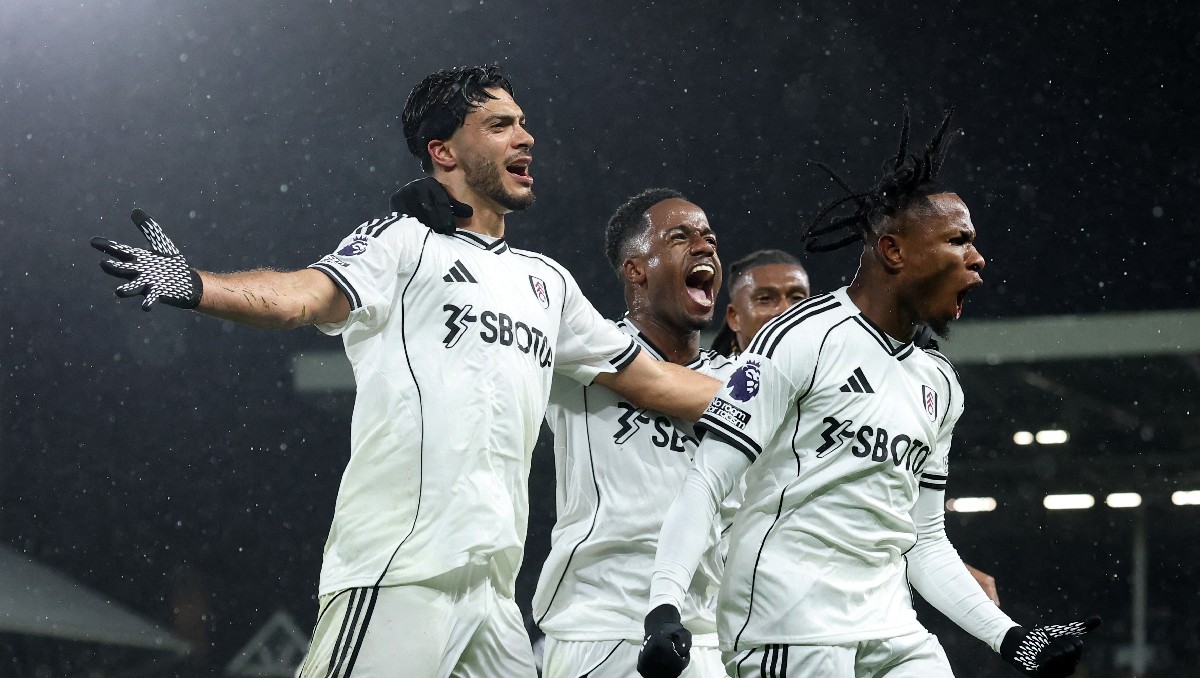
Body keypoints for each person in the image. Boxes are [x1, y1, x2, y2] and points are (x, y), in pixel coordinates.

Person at [91, 65, 719, 678]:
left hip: (496, 597)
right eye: (499, 125)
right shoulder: (403, 243)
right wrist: (200, 286)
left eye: (523, 124)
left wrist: (796, 396)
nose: (525, 137)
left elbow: (663, 384)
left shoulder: (548, 283)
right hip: (399, 571)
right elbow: (306, 296)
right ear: (442, 151)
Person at [639, 110, 1098, 678]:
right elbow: (707, 480)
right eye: (959, 241)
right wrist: (664, 606)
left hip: (892, 629)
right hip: (789, 627)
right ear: (894, 251)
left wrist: (1015, 641)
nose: (977, 261)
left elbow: (924, 542)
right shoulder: (800, 339)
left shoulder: (938, 384)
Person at [710, 249, 1001, 606]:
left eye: (797, 297)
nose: (784, 309)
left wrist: (954, 574)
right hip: (721, 591)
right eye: (766, 298)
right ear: (734, 317)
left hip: (804, 590)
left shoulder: (826, 383)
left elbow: (875, 515)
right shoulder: (715, 380)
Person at [532, 188, 734, 678]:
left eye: (709, 237)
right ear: (636, 270)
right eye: (680, 237)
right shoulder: (584, 350)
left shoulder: (736, 375)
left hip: (707, 636)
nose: (705, 246)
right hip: (604, 629)